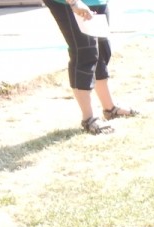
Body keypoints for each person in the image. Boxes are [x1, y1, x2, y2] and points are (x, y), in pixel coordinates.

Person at [43, 0, 139, 134]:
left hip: (97, 2)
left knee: (102, 50)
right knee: (85, 52)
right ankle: (88, 119)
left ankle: (110, 108)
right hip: (69, 3)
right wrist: (74, 3)